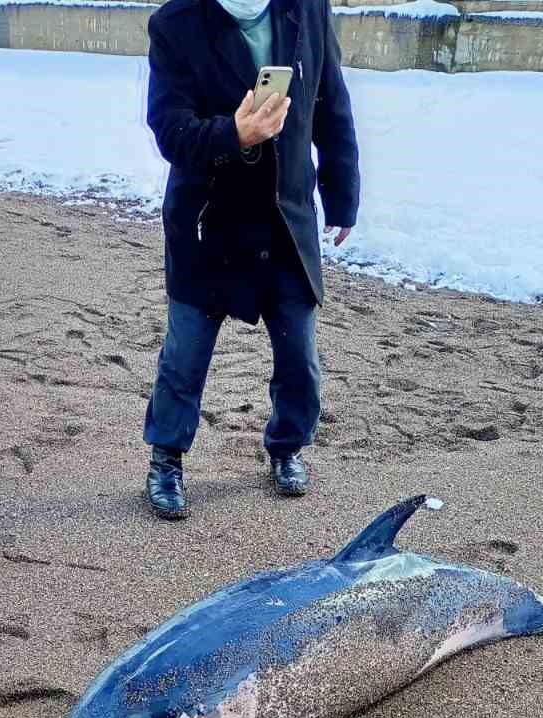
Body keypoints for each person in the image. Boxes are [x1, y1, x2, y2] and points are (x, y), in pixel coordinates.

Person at [141, 0, 361, 519]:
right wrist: (232, 135)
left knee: (299, 359)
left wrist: (342, 194)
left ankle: (287, 447)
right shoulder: (176, 23)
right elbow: (169, 128)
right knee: (185, 356)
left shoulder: (306, 7)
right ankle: (166, 459)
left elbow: (331, 102)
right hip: (208, 221)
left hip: (286, 219)